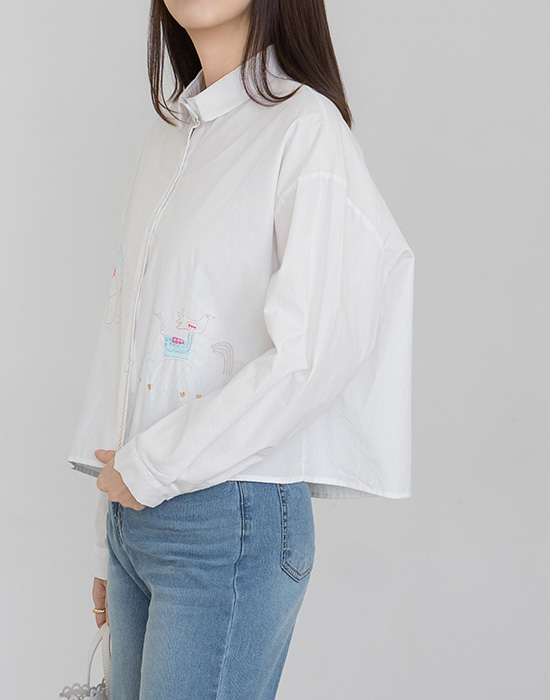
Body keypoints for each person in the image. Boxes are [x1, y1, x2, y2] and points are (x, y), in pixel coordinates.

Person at [67, 0, 415, 697]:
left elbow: (313, 354)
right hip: (137, 510)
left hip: (228, 517)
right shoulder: (169, 136)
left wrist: (151, 468)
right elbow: (130, 343)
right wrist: (109, 536)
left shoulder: (305, 130)